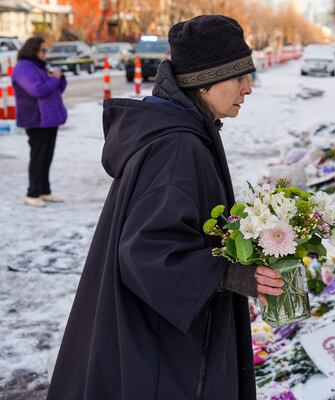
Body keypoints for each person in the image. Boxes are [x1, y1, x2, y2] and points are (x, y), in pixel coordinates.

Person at [46, 15, 284, 400]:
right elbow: (146, 251)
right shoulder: (177, 147)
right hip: (162, 351)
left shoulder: (185, 131)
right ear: (204, 82)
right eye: (239, 76)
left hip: (159, 338)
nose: (248, 88)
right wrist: (226, 274)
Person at [12, 36, 67, 207]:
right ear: (33, 50)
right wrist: (53, 79)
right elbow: (37, 90)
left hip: (49, 119)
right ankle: (32, 193)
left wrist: (59, 78)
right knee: (38, 156)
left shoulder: (39, 66)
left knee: (46, 157)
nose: (45, 53)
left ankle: (44, 191)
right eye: (43, 50)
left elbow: (56, 89)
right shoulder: (23, 68)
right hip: (36, 119)